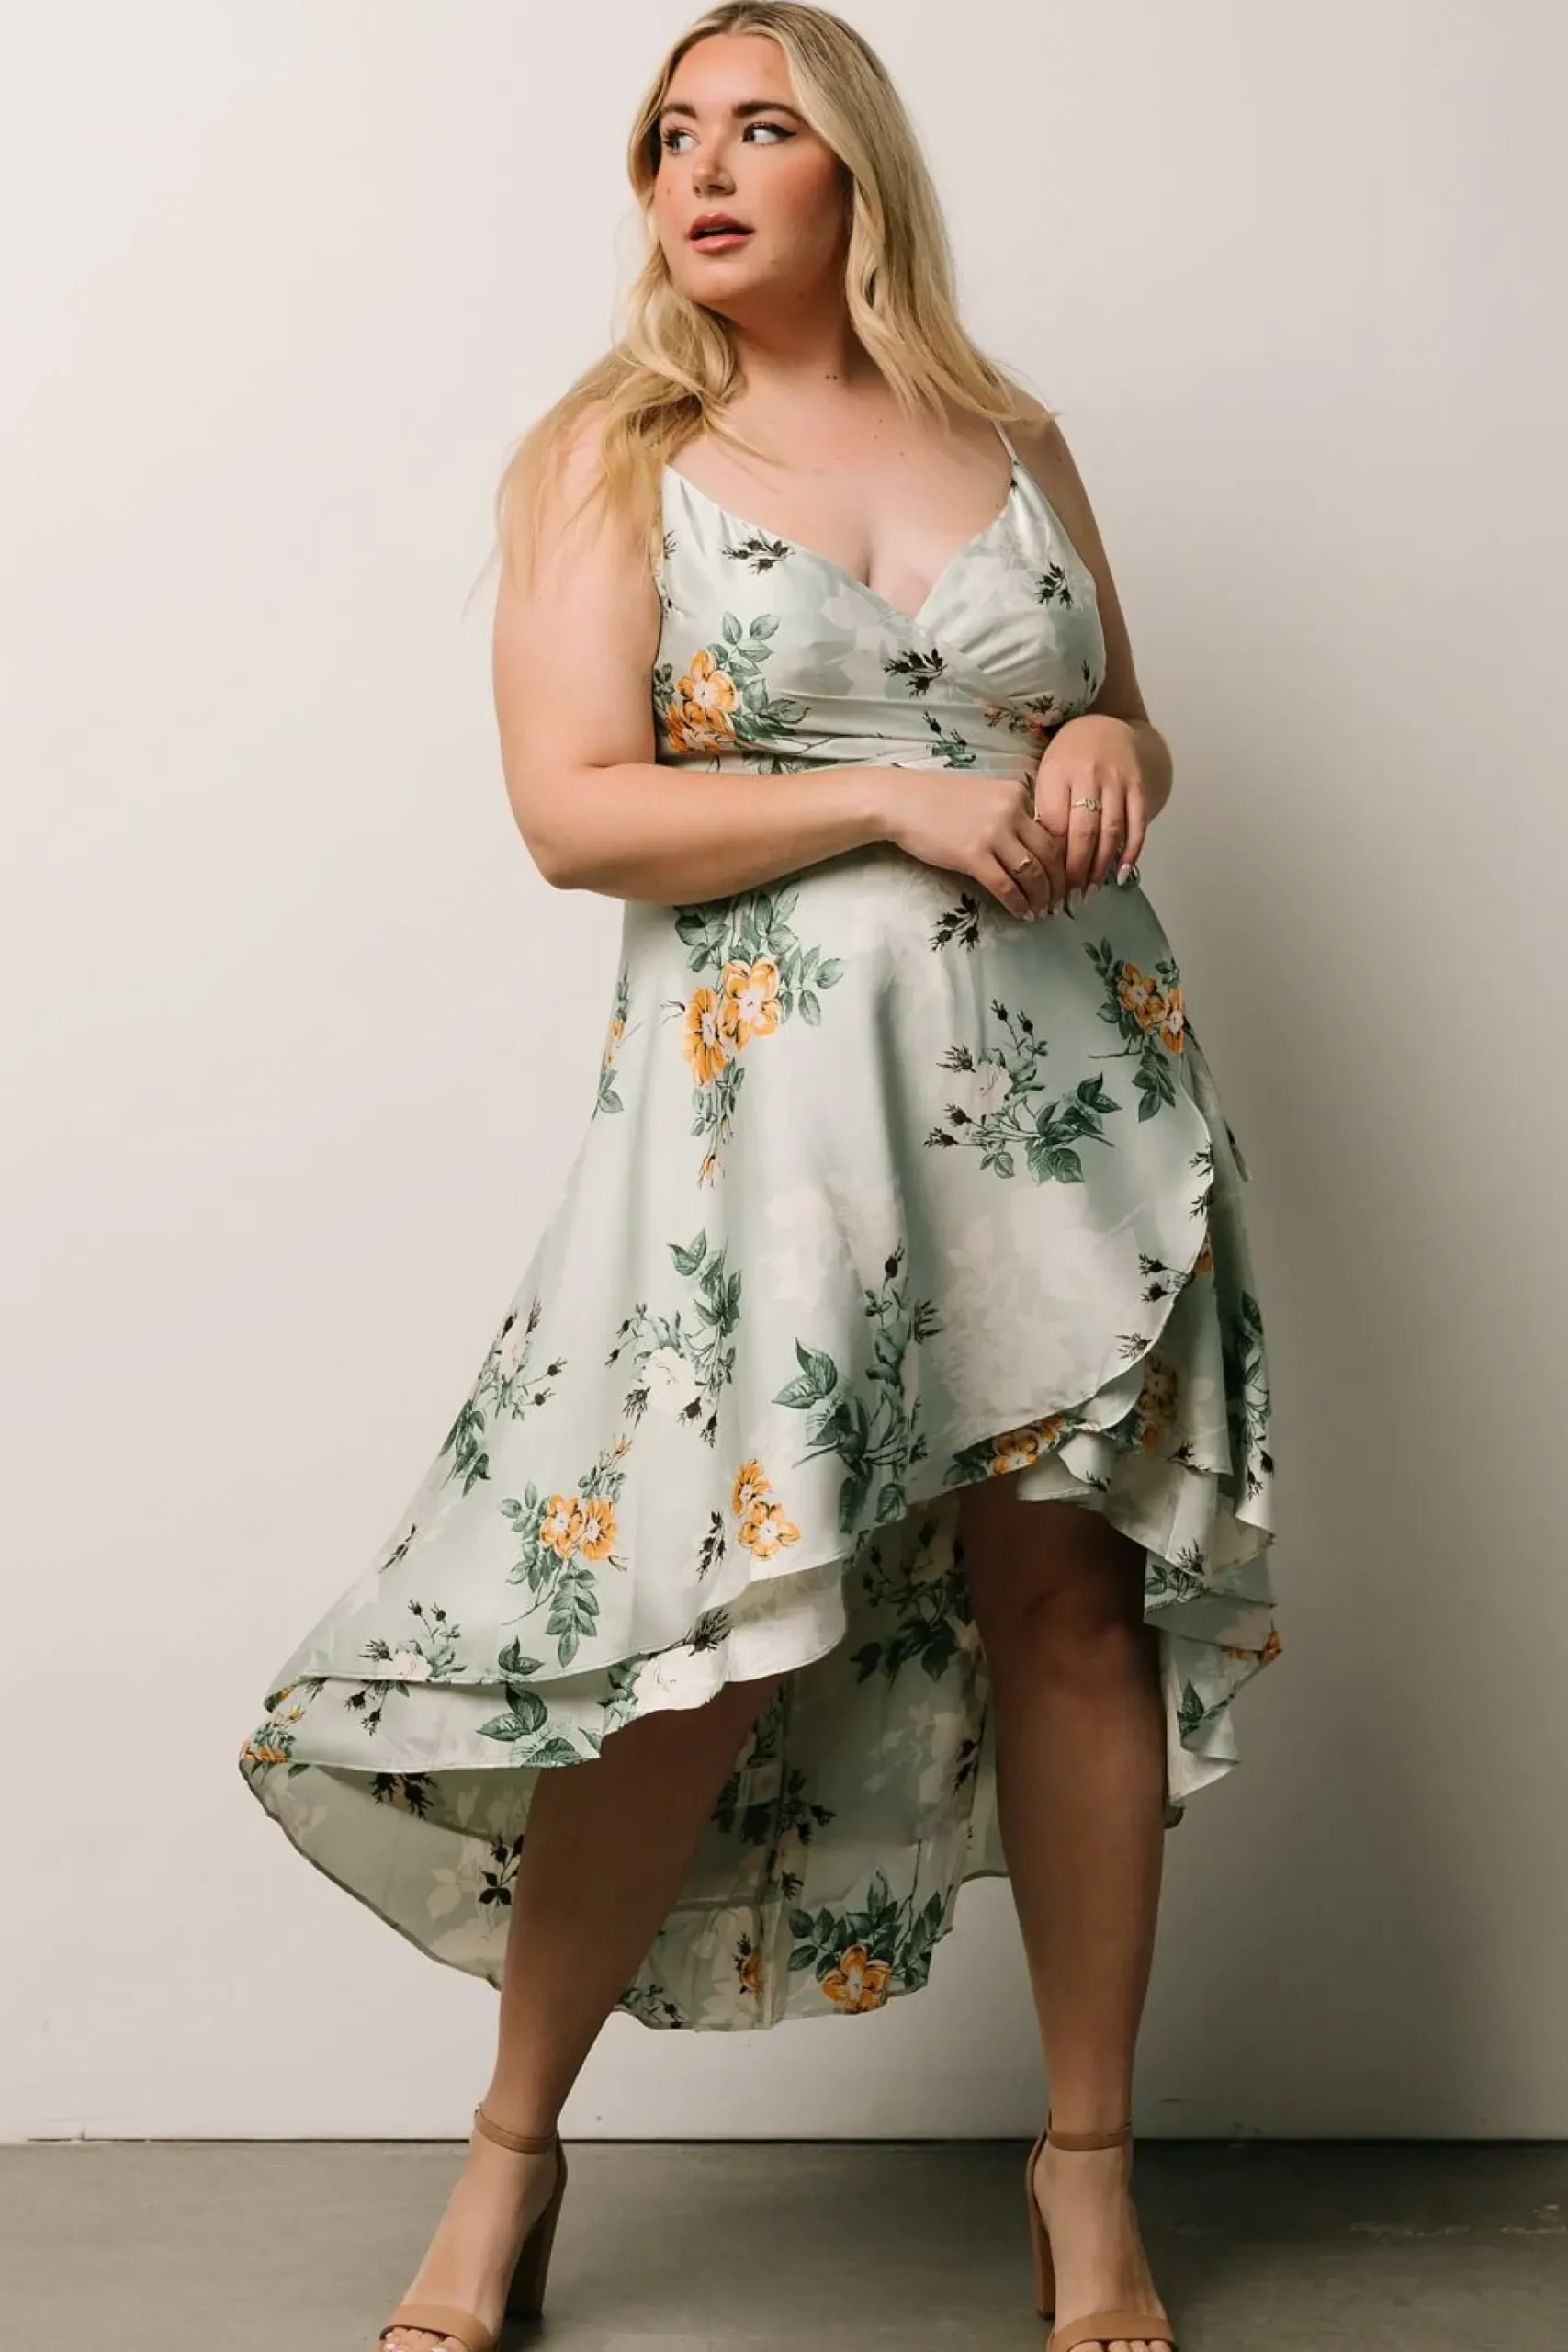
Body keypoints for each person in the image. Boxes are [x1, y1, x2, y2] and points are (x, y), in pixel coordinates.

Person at [237, 7, 1282, 2348]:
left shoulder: (1009, 435)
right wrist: (895, 793)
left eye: (760, 128)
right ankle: (510, 2159)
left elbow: (1117, 715)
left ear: (856, 172)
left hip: (1074, 1108)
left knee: (1071, 1617)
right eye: (669, 136)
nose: (700, 171)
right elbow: (571, 809)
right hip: (776, 1143)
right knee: (694, 1647)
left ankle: (1086, 2180)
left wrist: (1118, 741)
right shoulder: (611, 451)